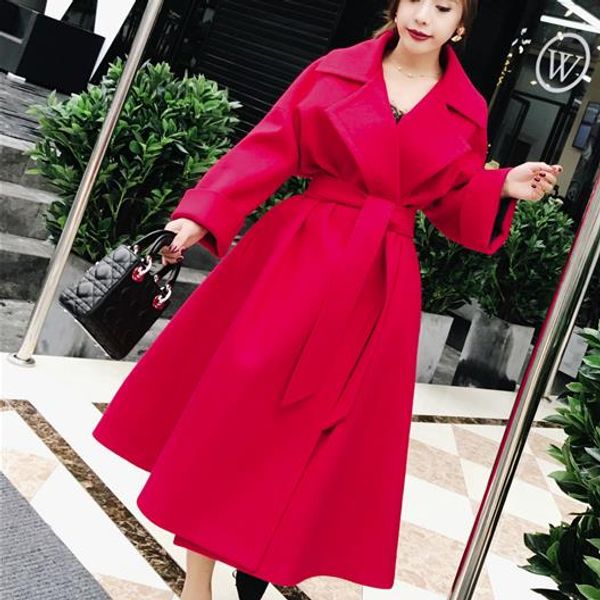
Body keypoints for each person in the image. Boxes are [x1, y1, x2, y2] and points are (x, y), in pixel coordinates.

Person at [93, 1, 563, 599]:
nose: (424, 16)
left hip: (378, 284)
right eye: (415, 0)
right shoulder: (337, 70)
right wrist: (200, 215)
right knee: (234, 409)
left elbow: (450, 201)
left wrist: (501, 186)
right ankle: (199, 580)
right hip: (296, 256)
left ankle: (259, 556)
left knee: (317, 433)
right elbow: (269, 147)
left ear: (461, 25)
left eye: (443, 6)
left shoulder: (465, 108)